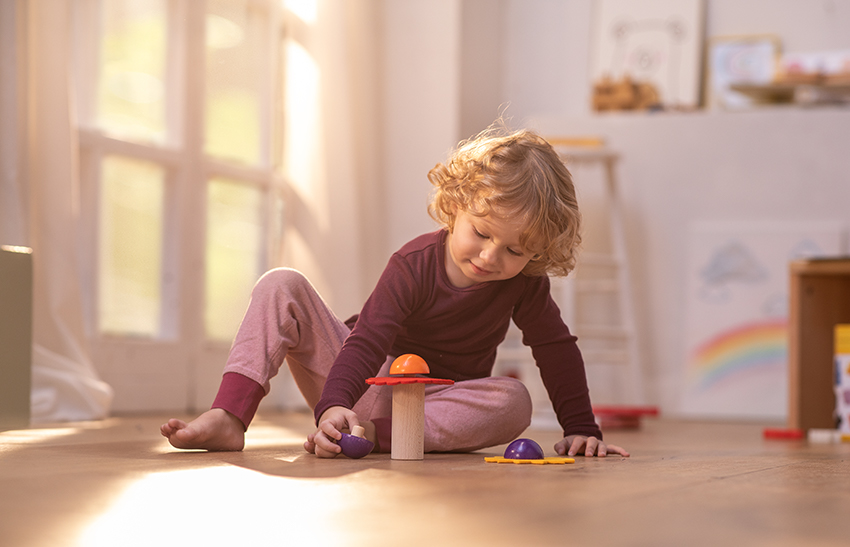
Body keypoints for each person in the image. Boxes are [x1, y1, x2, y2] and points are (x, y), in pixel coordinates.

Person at [161, 125, 629, 458]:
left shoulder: (524, 284)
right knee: (281, 283)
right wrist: (334, 405)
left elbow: (556, 350)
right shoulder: (414, 264)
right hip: (360, 384)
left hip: (434, 405)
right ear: (456, 206)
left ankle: (379, 437)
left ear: (537, 254)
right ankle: (230, 415)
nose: (490, 257)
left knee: (514, 400)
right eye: (482, 233)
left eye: (515, 250)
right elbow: (368, 340)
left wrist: (582, 429)